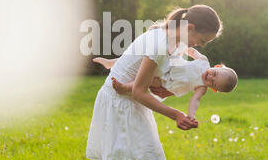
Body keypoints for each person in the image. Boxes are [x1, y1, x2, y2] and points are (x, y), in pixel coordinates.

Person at [86, 5, 223, 160]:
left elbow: (169, 71)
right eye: (202, 40)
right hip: (122, 101)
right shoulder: (160, 44)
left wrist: (166, 89)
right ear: (190, 28)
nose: (202, 45)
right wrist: (176, 115)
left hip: (132, 101)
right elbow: (138, 92)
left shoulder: (175, 40)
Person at [93, 46, 238, 120]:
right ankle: (111, 62)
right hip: (172, 64)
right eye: (214, 74)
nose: (210, 78)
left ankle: (124, 87)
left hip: (167, 82)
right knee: (145, 59)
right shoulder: (203, 61)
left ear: (213, 89)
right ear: (217, 67)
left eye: (213, 83)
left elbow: (195, 101)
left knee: (149, 79)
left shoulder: (202, 88)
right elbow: (192, 51)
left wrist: (191, 115)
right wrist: (182, 46)